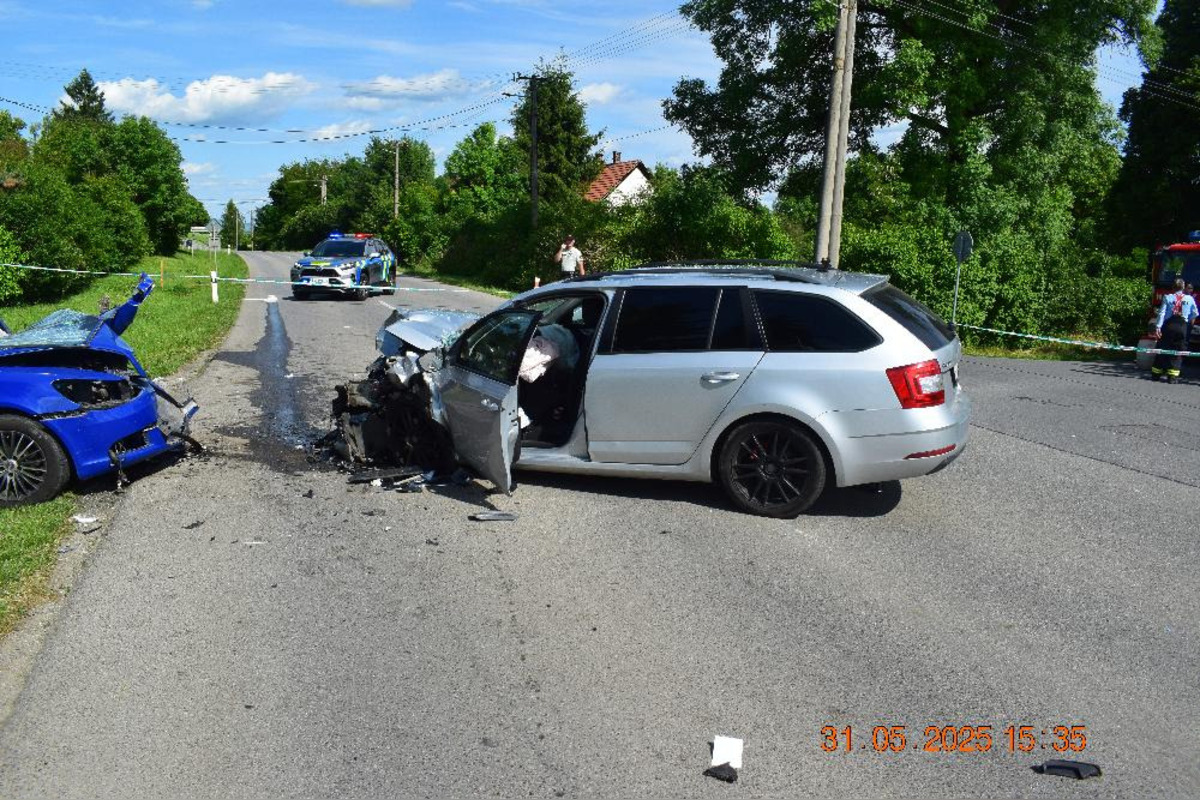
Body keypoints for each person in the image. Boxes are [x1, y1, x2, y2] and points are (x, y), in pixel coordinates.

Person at [1151, 278, 1199, 383]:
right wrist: (1188, 323)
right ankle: (1172, 377)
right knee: (1178, 351)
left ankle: (1156, 374)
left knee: (1162, 348)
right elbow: (1195, 313)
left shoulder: (1167, 297)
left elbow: (1162, 313)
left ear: (1173, 287)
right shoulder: (1189, 299)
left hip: (1168, 326)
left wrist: (1158, 327)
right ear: (1183, 287)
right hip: (1182, 326)